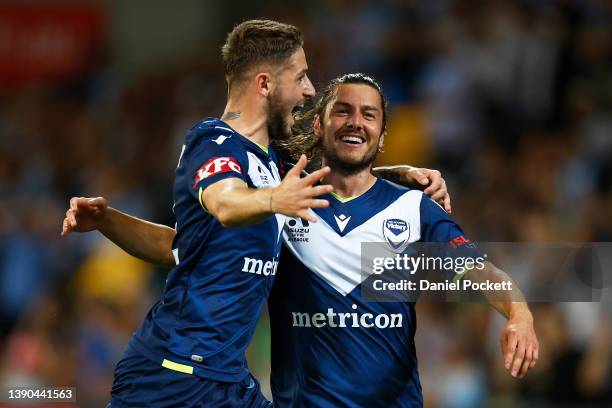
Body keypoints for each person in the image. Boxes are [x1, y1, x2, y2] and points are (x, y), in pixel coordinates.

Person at [63, 74, 538, 407]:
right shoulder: (282, 206)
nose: (356, 122)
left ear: (382, 133)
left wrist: (518, 312)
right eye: (343, 111)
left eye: (369, 115)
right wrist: (107, 221)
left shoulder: (414, 209)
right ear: (318, 126)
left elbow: (473, 269)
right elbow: (181, 247)